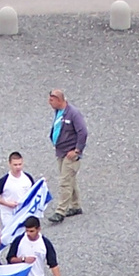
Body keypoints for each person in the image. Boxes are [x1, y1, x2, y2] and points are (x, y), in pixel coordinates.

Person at [45, 88, 87, 224]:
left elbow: (83, 132)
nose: (49, 103)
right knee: (70, 179)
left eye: (51, 100)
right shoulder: (59, 112)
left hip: (70, 154)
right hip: (61, 152)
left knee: (64, 181)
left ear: (58, 99)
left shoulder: (73, 114)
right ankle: (75, 206)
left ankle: (60, 211)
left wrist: (77, 150)